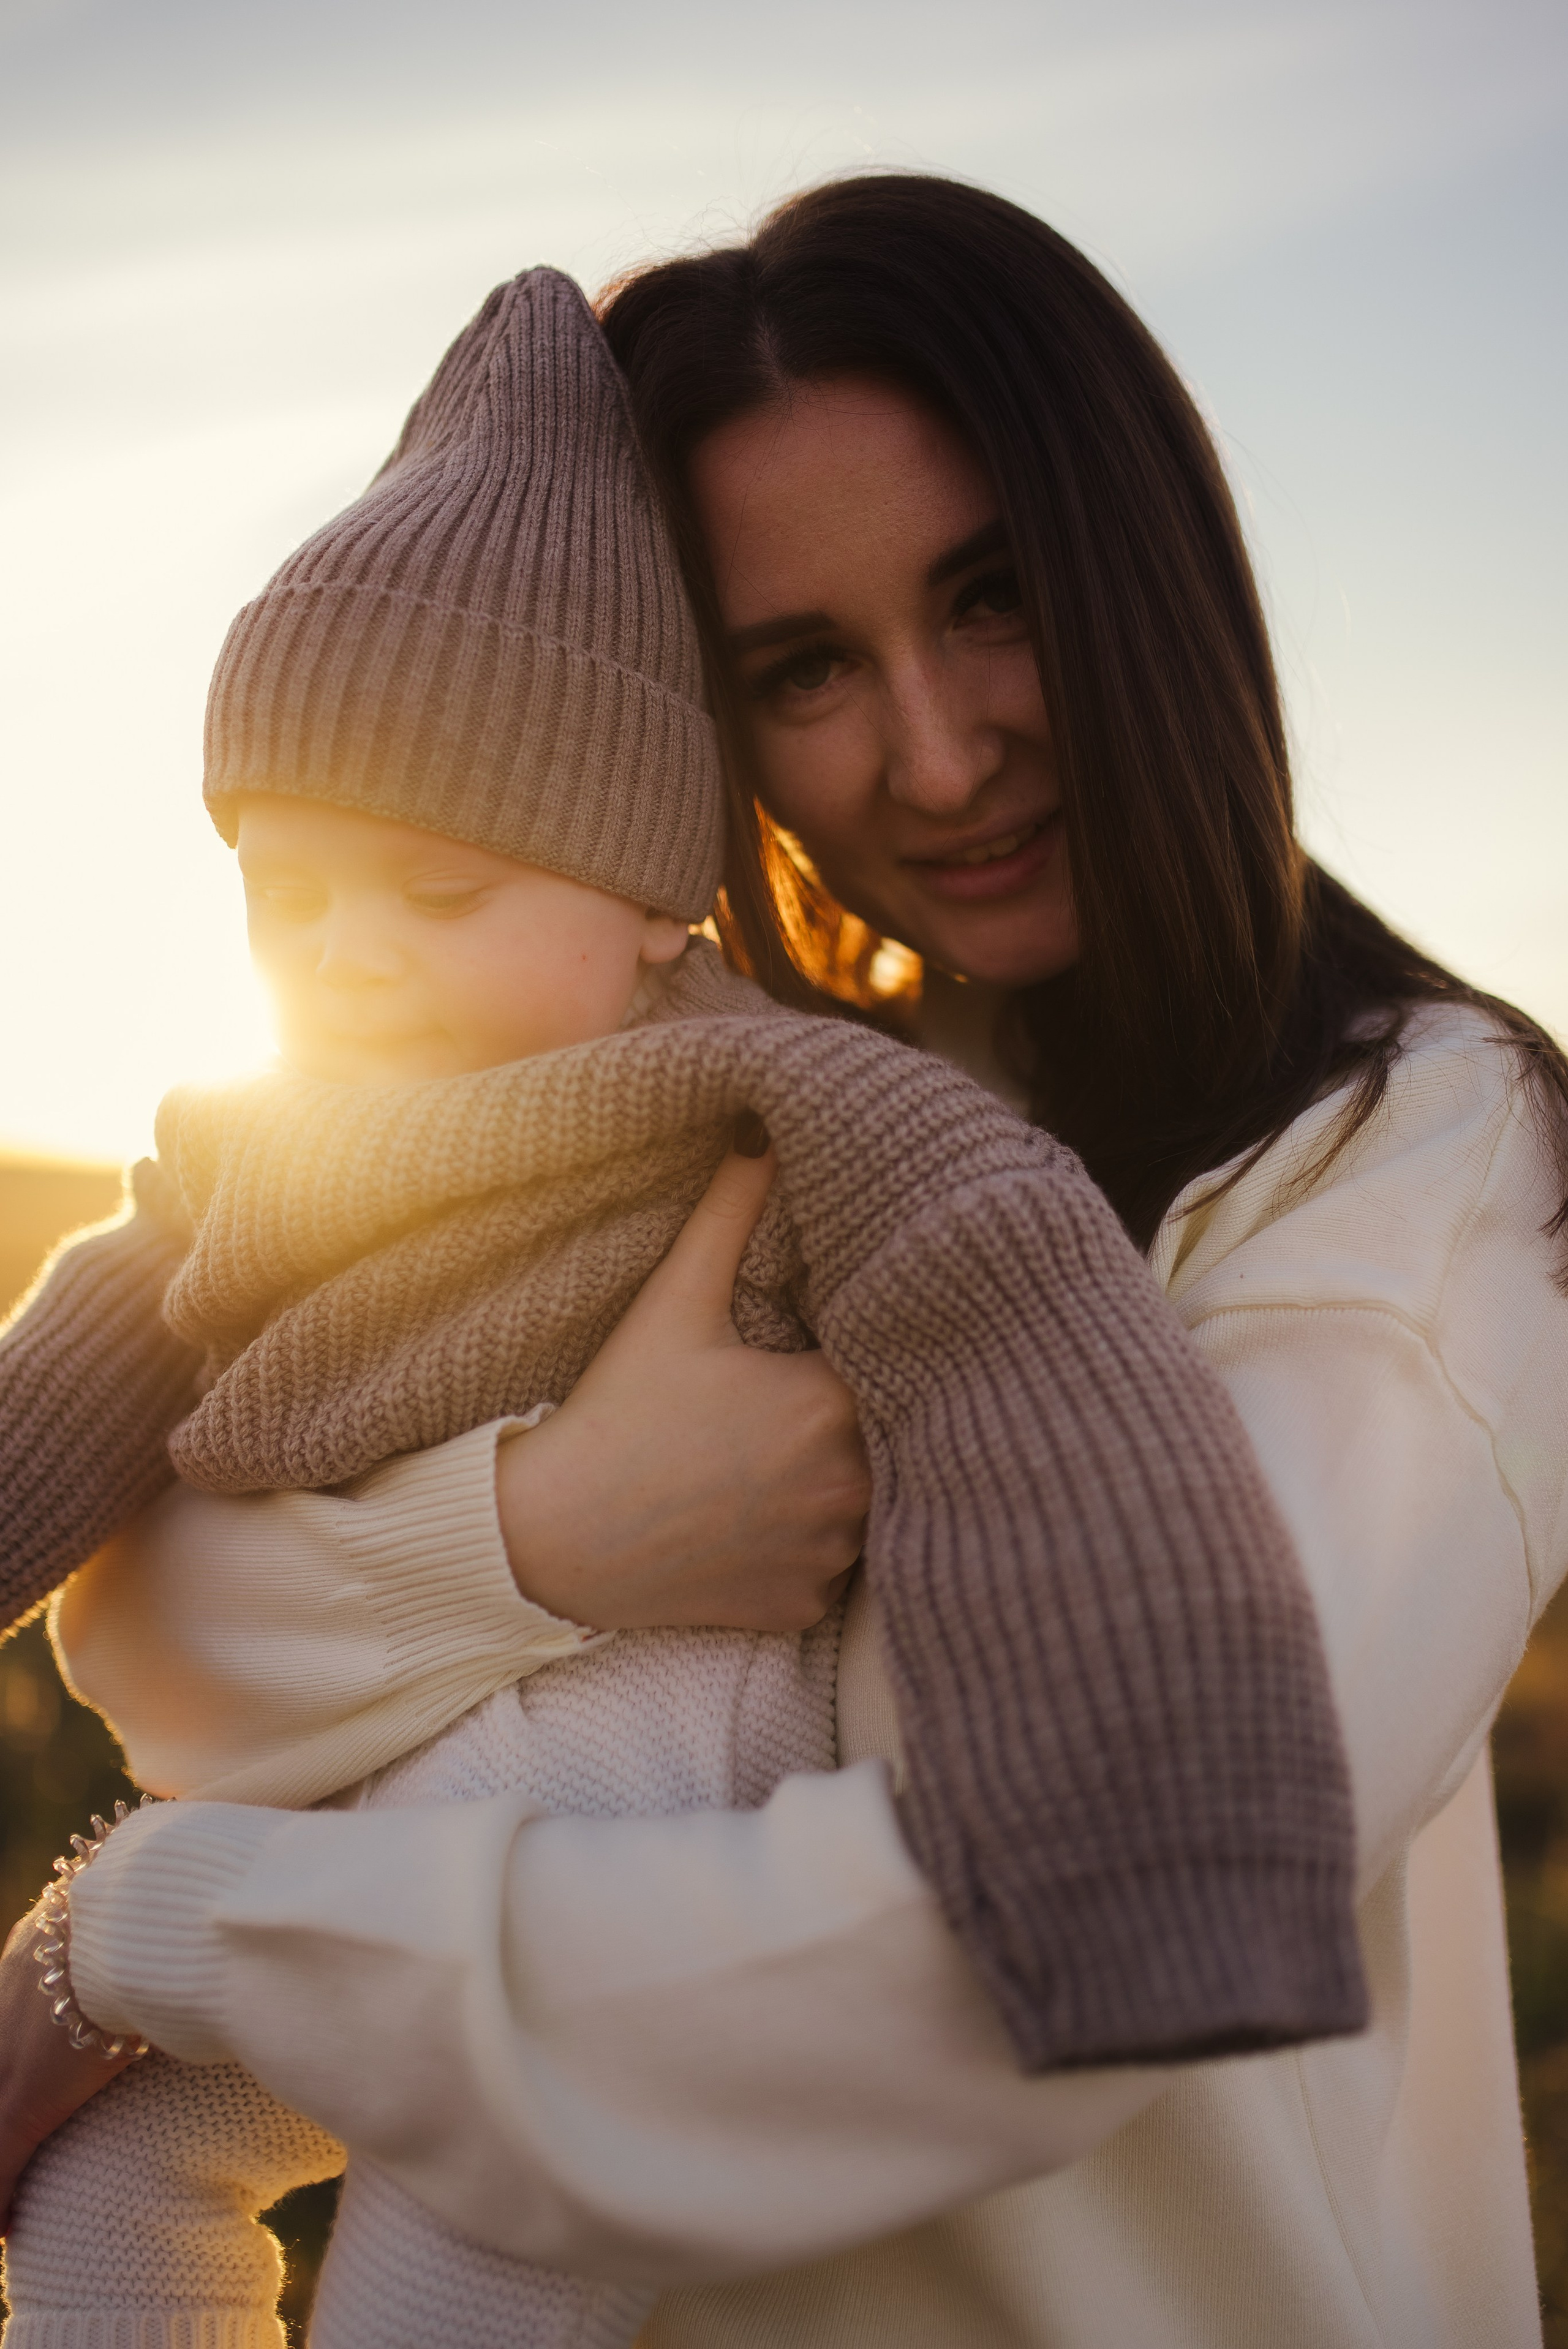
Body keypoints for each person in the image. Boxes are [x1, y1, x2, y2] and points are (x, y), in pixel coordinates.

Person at [2, 171, 1563, 2347]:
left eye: (998, 596)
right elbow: (150, 1635)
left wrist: (156, 1930)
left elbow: (995, 1971)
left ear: (1157, 570)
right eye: (805, 666)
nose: (932, 753)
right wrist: (546, 1533)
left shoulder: (1417, 1178)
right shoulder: (751, 1104)